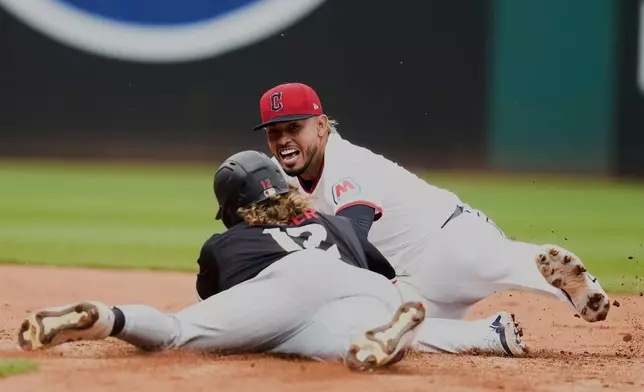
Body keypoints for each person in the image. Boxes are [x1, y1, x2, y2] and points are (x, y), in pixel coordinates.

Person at [251, 82, 611, 354]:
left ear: (321, 126)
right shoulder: (287, 177)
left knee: (493, 261)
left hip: (444, 240)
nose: (283, 139)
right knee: (378, 330)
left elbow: (352, 236)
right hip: (407, 281)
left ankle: (570, 283)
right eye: (274, 132)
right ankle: (490, 336)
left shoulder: (346, 163)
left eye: (293, 127)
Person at [17, 150, 427, 371]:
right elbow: (384, 272)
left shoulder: (227, 243)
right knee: (345, 342)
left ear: (233, 206)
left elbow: (217, 299)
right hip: (362, 288)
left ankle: (109, 318)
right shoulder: (335, 223)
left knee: (179, 331)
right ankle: (386, 334)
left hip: (288, 284)